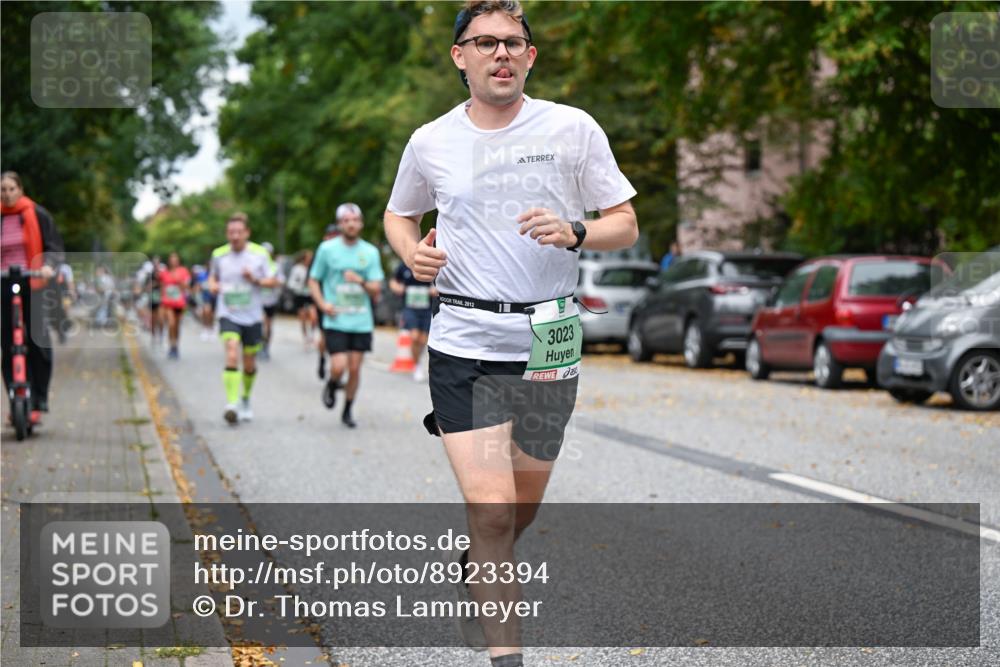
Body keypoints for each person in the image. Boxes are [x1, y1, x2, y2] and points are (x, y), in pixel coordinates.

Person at [383, 2, 638, 663]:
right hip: (464, 341)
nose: (501, 53)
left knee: (520, 508)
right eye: (485, 42)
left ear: (530, 56)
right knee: (492, 508)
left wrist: (577, 229)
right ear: (459, 56)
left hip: (550, 338)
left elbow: (625, 222)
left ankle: (475, 564)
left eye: (513, 42)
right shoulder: (430, 140)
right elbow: (398, 214)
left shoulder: (572, 129)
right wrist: (412, 253)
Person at [308, 203, 384, 429]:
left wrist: (360, 280)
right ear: (340, 224)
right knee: (339, 366)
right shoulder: (327, 249)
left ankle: (348, 408)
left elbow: (376, 289)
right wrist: (322, 304)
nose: (351, 224)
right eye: (346, 220)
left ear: (360, 223)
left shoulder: (370, 252)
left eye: (355, 220)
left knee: (354, 369)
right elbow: (313, 280)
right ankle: (332, 383)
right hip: (336, 318)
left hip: (361, 321)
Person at [1, 171, 64, 421]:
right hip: (4, 281)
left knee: (38, 341)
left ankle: (38, 399)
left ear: (20, 190)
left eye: (11, 189)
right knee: (7, 344)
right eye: (2, 190)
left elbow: (54, 247)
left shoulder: (36, 214)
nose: (6, 194)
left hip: (33, 280)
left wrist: (48, 264)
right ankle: (16, 396)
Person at [207, 213, 278, 424]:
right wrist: (212, 285)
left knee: (249, 364)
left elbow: (274, 281)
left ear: (247, 233)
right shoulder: (218, 255)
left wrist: (254, 279)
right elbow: (213, 277)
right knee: (231, 350)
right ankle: (232, 404)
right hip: (228, 313)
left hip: (253, 316)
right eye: (231, 232)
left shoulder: (260, 254)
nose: (235, 236)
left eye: (239, 232)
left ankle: (245, 398)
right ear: (227, 234)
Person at [389, 260, 436, 381]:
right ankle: (417, 366)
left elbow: (441, 285)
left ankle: (418, 359)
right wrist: (397, 287)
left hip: (426, 308)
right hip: (409, 308)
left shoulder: (430, 263)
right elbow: (393, 281)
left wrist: (434, 291)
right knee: (414, 336)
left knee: (423, 340)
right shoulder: (404, 265)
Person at [314, 222, 342, 379]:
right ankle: (323, 359)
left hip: (344, 303)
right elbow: (312, 281)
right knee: (325, 336)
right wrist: (318, 304)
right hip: (324, 302)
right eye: (331, 236)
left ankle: (336, 366)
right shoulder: (322, 253)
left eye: (336, 236)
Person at [159, 251, 191, 359]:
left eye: (175, 259)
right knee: (171, 323)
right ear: (169, 261)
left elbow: (186, 287)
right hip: (168, 303)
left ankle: (175, 345)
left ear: (178, 260)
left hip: (179, 302)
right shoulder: (164, 272)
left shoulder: (183, 271)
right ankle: (171, 345)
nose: (174, 261)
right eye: (172, 259)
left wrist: (179, 281)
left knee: (177, 326)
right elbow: (162, 287)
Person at [286, 250, 317, 349]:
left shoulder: (314, 268)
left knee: (313, 316)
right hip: (299, 295)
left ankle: (312, 335)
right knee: (303, 318)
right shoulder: (297, 269)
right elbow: (290, 283)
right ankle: (305, 337)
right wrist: (300, 286)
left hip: (310, 295)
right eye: (308, 258)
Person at [258, 241, 282, 361]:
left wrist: (272, 283)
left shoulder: (275, 266)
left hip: (271, 300)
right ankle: (258, 345)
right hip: (257, 301)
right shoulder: (256, 265)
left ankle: (266, 347)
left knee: (268, 325)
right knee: (260, 323)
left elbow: (282, 281)